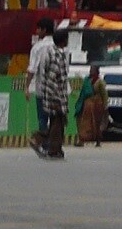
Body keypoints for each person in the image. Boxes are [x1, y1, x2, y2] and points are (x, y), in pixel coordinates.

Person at [37, 29, 70, 159]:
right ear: (63, 41)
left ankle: (55, 148)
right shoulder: (57, 57)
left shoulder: (52, 52)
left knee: (57, 124)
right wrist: (55, 99)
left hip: (55, 96)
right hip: (56, 97)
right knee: (57, 124)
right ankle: (51, 148)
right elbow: (52, 79)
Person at [25, 17, 55, 154]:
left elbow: (32, 69)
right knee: (55, 119)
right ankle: (55, 145)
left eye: (38, 29)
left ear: (44, 30)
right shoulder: (59, 46)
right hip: (56, 90)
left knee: (42, 118)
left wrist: (26, 87)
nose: (37, 32)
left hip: (41, 89)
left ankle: (44, 145)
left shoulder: (37, 47)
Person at [73, 65, 108, 147]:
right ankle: (82, 140)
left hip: (97, 106)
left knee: (96, 123)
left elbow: (104, 94)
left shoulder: (100, 82)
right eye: (90, 69)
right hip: (87, 106)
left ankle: (98, 140)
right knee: (83, 123)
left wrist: (105, 105)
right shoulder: (87, 80)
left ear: (96, 71)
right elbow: (83, 93)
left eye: (92, 70)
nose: (90, 71)